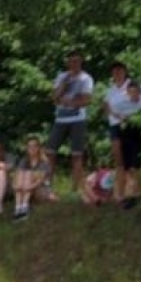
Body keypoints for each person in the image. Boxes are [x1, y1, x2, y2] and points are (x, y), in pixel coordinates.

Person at [103, 70, 141, 208]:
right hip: (125, 133)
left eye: (135, 92)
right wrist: (120, 117)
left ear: (139, 92)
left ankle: (136, 194)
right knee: (125, 165)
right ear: (127, 93)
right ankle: (124, 195)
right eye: (130, 92)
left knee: (136, 164)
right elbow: (109, 108)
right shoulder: (121, 102)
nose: (133, 95)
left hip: (139, 132)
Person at [45, 51, 95, 188]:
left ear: (81, 62)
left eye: (77, 61)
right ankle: (47, 184)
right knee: (50, 151)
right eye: (71, 61)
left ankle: (76, 187)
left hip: (77, 119)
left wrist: (70, 102)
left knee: (77, 154)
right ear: (67, 63)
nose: (74, 64)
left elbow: (87, 100)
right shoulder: (62, 77)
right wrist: (64, 85)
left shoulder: (86, 78)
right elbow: (54, 97)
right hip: (60, 119)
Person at [9, 136, 55, 220]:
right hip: (24, 189)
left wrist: (28, 187)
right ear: (27, 148)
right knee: (22, 174)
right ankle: (18, 208)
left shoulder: (44, 162)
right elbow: (17, 176)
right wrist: (16, 185)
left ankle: (24, 208)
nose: (32, 148)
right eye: (30, 146)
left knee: (28, 174)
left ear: (39, 148)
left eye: (35, 146)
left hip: (39, 189)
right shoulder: (24, 161)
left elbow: (40, 180)